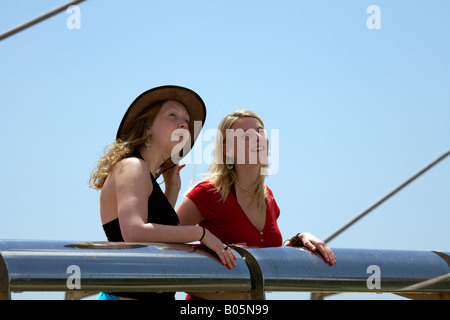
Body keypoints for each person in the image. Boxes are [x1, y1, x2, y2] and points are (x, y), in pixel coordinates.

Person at [89, 85, 237, 300]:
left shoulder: (142, 174)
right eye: (172, 115)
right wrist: (201, 234)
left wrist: (172, 190)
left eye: (186, 120)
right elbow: (135, 233)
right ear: (148, 126)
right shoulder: (132, 166)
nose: (184, 123)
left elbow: (157, 237)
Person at [175, 110, 336, 300]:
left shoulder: (268, 197)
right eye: (246, 135)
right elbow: (164, 240)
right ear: (227, 149)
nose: (257, 138)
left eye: (260, 131)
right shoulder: (208, 193)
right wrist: (211, 249)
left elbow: (261, 251)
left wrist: (298, 239)